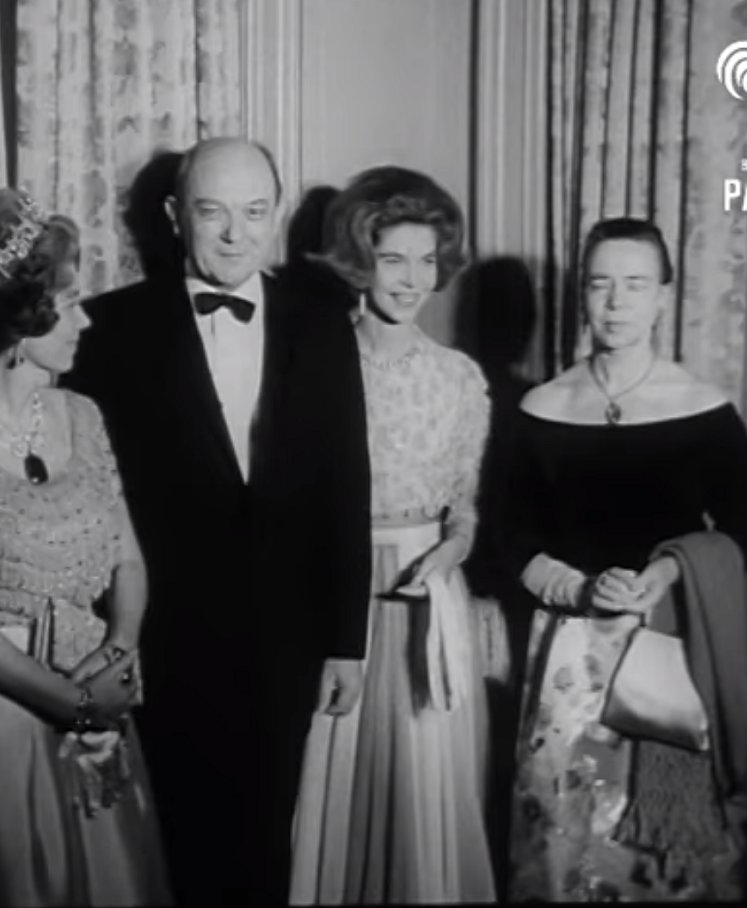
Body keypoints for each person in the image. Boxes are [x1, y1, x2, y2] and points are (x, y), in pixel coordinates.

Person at [63, 137, 372, 904]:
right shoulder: (108, 330)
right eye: (213, 212)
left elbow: (346, 483)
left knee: (267, 840)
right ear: (174, 217)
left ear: (276, 217)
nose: (236, 234)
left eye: (256, 213)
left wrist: (345, 642)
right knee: (175, 845)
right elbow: (91, 498)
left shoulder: (324, 319)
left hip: (288, 637)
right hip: (164, 635)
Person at [0, 187, 170, 906]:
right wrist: (75, 705)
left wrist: (114, 665)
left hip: (101, 696)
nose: (85, 318)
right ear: (21, 318)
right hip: (1, 724)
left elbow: (130, 562)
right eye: (71, 300)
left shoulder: (83, 414)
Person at [504, 217, 747, 901]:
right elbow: (508, 541)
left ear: (662, 296)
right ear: (581, 296)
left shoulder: (704, 409)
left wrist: (668, 571)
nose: (617, 303)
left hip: (673, 648)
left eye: (635, 284)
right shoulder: (541, 407)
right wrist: (581, 589)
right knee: (563, 838)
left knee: (664, 854)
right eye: (601, 285)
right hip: (569, 656)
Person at [288, 166, 497, 903]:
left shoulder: (459, 379)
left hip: (425, 597)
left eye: (427, 260)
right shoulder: (311, 361)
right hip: (334, 592)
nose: (413, 280)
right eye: (394, 259)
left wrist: (451, 550)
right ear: (359, 260)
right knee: (330, 777)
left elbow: (465, 506)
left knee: (423, 786)